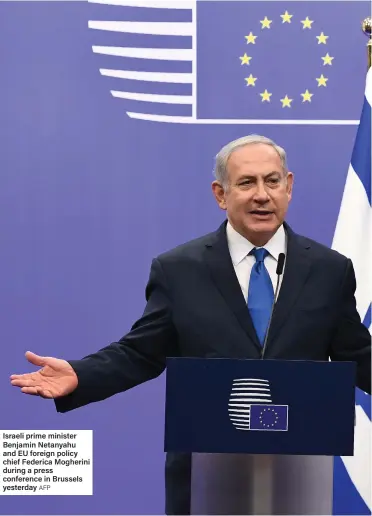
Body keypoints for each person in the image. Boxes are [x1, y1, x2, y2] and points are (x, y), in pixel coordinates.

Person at [10, 135, 371, 514]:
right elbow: (140, 352)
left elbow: (357, 355)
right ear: (221, 193)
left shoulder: (330, 271)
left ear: (289, 186)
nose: (262, 195)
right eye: (247, 183)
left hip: (298, 476)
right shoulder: (179, 270)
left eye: (273, 180)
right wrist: (81, 375)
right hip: (204, 478)